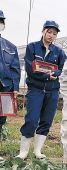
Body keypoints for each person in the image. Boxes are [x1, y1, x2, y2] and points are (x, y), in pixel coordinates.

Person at [16, 20, 66, 160]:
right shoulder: (32, 47)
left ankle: (38, 151)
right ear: (43, 31)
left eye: (54, 34)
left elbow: (62, 69)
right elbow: (31, 69)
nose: (51, 35)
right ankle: (23, 151)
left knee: (46, 120)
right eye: (49, 32)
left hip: (52, 91)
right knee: (31, 120)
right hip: (36, 89)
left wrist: (55, 74)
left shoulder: (59, 52)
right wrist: (46, 76)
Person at [0, 10, 21, 160]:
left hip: (5, 89)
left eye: (1, 21)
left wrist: (15, 88)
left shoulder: (10, 47)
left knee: (1, 120)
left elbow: (15, 69)